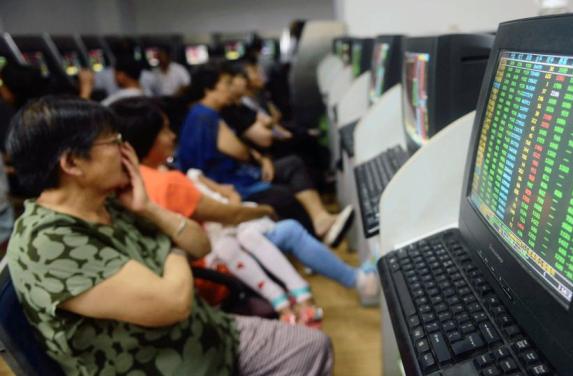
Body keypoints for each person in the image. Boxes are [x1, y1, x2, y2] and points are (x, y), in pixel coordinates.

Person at [5, 96, 333, 375]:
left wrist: (149, 208)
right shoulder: (49, 242)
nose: (126, 150)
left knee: (312, 347)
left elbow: (200, 243)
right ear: (73, 162)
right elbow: (173, 303)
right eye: (114, 142)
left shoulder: (110, 202)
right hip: (167, 365)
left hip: (207, 335)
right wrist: (173, 248)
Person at [112, 97, 380, 312]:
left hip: (191, 263)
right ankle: (359, 281)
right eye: (165, 131)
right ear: (147, 139)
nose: (172, 137)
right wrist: (263, 211)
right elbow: (231, 214)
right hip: (212, 261)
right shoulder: (168, 181)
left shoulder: (127, 182)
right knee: (287, 226)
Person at [178, 63, 352, 246]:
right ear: (209, 88)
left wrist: (262, 159)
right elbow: (240, 152)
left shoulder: (204, 113)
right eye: (226, 84)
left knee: (292, 164)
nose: (231, 89)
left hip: (237, 174)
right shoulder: (206, 117)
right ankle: (316, 239)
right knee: (283, 195)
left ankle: (320, 219)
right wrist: (257, 158)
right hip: (229, 184)